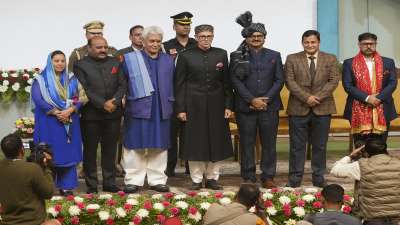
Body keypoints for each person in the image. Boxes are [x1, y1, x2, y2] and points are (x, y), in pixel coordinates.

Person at [175, 24, 234, 190]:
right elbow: (178, 84)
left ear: (213, 36)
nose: (206, 39)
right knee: (195, 143)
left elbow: (226, 83)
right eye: (202, 36)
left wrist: (229, 105)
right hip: (193, 105)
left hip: (217, 105)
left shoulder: (221, 54)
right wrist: (180, 109)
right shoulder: (185, 55)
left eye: (209, 36)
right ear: (196, 37)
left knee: (217, 142)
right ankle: (195, 179)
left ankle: (212, 178)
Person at [230, 11, 284, 189]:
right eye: (253, 36)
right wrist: (252, 100)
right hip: (246, 108)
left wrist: (265, 100)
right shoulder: (236, 56)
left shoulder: (274, 55)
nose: (256, 39)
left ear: (265, 38)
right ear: (246, 38)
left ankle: (268, 176)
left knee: (269, 144)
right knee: (247, 143)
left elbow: (279, 80)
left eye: (260, 36)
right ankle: (248, 175)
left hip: (269, 107)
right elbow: (235, 81)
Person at [120, 26, 174, 193]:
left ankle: (157, 179)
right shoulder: (130, 59)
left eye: (158, 41)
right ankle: (133, 180)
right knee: (134, 144)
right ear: (142, 41)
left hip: (161, 107)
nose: (155, 44)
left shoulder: (168, 60)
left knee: (159, 145)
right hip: (137, 107)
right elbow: (122, 82)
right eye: (151, 41)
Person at [284, 30, 339, 188]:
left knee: (320, 146)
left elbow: (334, 81)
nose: (310, 45)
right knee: (296, 146)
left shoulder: (330, 58)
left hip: (323, 108)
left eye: (313, 42)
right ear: (302, 43)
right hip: (298, 108)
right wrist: (306, 97)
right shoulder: (292, 58)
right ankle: (295, 179)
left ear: (318, 43)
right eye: (306, 42)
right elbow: (290, 81)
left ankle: (319, 177)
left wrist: (318, 97)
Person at [73, 36, 127, 193]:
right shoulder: (80, 65)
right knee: (90, 151)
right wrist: (103, 104)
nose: (103, 50)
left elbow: (122, 84)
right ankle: (91, 185)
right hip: (91, 115)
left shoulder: (115, 62)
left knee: (110, 151)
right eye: (99, 47)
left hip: (113, 114)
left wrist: (115, 101)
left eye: (105, 47)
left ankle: (110, 183)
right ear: (89, 48)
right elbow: (84, 89)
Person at [31, 50, 87, 196]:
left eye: (63, 61)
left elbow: (81, 97)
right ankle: (44, 187)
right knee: (48, 154)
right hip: (49, 123)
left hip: (69, 122)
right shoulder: (40, 80)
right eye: (56, 61)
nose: (60, 64)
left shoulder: (72, 78)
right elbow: (38, 100)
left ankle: (67, 187)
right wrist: (57, 112)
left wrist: (71, 110)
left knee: (67, 155)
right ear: (50, 62)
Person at [342, 32, 397, 144]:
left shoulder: (388, 62)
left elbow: (392, 83)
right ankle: (361, 160)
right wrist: (367, 98)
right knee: (360, 145)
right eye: (365, 44)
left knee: (380, 145)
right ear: (359, 44)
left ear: (376, 44)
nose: (368, 46)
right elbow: (348, 85)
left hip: (383, 105)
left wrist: (378, 98)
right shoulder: (349, 63)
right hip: (357, 106)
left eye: (371, 44)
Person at [330, 137, 400, 224]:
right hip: (396, 218)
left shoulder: (361, 165)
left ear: (365, 152)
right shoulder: (398, 163)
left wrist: (351, 156)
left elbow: (335, 170)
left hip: (372, 218)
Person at [163, 11, 197, 177]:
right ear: (174, 26)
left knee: (190, 133)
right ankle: (170, 167)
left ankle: (191, 166)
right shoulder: (166, 46)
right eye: (182, 24)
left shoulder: (196, 44)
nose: (185, 27)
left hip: (192, 95)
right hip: (171, 95)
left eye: (187, 24)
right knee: (170, 133)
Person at [0, 134, 54, 225]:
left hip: (7, 221)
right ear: (22, 150)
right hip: (33, 221)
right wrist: (46, 168)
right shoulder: (32, 169)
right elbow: (48, 193)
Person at [203, 183, 269, 225]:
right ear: (255, 203)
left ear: (236, 195)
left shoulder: (213, 208)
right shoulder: (255, 221)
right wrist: (261, 211)